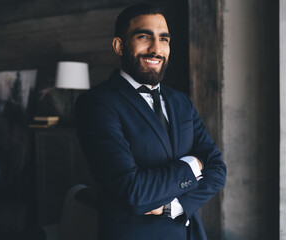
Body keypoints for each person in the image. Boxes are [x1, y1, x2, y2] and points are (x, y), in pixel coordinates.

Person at [75, 3, 226, 240]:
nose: (156, 48)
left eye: (164, 39)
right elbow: (133, 192)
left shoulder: (181, 102)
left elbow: (217, 170)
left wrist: (174, 207)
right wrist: (193, 166)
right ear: (119, 45)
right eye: (144, 37)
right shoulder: (96, 104)